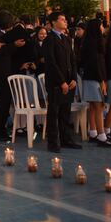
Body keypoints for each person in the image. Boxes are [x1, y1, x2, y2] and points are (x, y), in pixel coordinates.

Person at [42, 11, 81, 153]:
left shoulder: (65, 39)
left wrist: (73, 79)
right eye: (62, 19)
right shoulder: (49, 39)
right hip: (55, 83)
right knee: (54, 112)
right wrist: (61, 82)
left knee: (65, 112)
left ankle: (66, 139)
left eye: (65, 19)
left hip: (68, 81)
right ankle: (53, 142)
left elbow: (72, 60)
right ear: (53, 22)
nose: (65, 22)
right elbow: (51, 63)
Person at [0, 10, 23, 142]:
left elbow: (3, 48)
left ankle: (0, 128)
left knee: (5, 100)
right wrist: (14, 45)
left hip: (3, 71)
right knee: (3, 100)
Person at [79, 19, 111, 147]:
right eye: (100, 25)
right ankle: (101, 136)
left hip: (89, 77)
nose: (102, 27)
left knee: (93, 107)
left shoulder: (87, 41)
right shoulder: (95, 43)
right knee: (99, 106)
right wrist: (102, 81)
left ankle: (93, 132)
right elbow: (97, 64)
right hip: (95, 78)